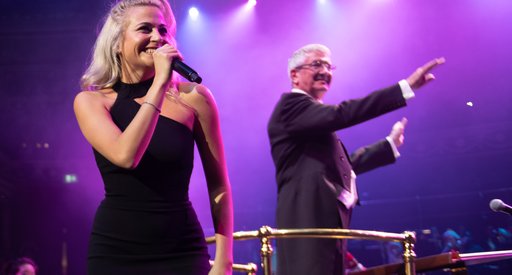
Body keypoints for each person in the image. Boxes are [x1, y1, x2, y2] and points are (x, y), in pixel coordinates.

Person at [73, 0, 233, 274]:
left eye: (163, 29)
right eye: (145, 29)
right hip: (117, 251)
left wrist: (224, 262)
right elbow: (126, 156)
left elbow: (219, 186)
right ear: (116, 42)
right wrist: (160, 83)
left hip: (182, 248)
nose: (157, 38)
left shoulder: (194, 99)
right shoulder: (92, 101)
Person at [267, 43, 444, 275]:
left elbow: (341, 167)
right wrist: (404, 88)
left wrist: (387, 146)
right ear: (294, 75)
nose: (326, 71)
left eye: (330, 66)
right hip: (307, 218)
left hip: (327, 219)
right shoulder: (291, 107)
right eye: (317, 64)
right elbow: (342, 113)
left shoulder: (309, 117)